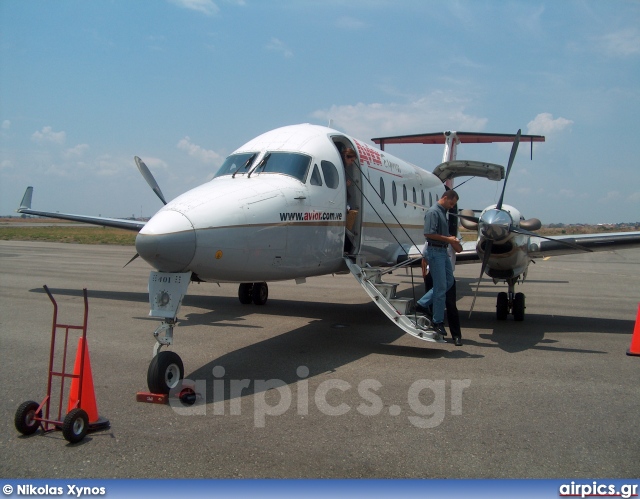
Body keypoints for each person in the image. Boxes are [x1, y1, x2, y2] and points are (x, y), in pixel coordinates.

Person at [415, 189, 462, 338]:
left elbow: (443, 234)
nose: (452, 206)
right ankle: (438, 321)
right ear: (445, 198)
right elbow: (428, 233)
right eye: (451, 203)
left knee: (449, 281)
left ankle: (422, 303)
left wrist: (452, 241)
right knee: (441, 287)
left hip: (443, 251)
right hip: (435, 252)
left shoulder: (443, 212)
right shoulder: (433, 212)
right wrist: (449, 240)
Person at [422, 250, 463, 346]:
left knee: (451, 305)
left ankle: (456, 336)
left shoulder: (452, 238)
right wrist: (425, 274)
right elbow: (424, 257)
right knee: (432, 306)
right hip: (432, 274)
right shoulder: (431, 239)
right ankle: (437, 333)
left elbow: (459, 249)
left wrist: (452, 240)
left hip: (447, 276)